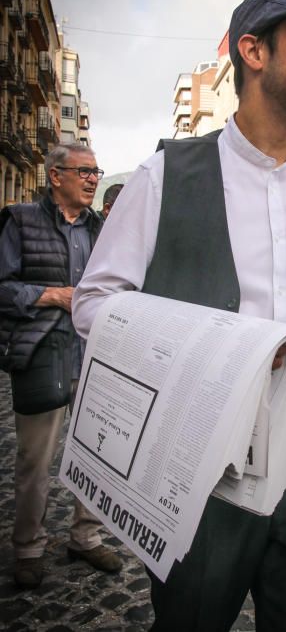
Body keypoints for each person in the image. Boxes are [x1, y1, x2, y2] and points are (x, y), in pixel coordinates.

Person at [73, 0, 286, 632]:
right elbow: (94, 303)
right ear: (252, 51)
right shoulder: (165, 175)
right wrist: (200, 343)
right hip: (201, 467)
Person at [0, 143, 122, 588]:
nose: (93, 179)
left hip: (94, 357)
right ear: (56, 176)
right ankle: (28, 548)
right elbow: (3, 287)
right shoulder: (21, 221)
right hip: (41, 356)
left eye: (96, 171)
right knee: (35, 459)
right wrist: (51, 295)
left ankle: (85, 537)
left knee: (96, 454)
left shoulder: (103, 229)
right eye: (84, 171)